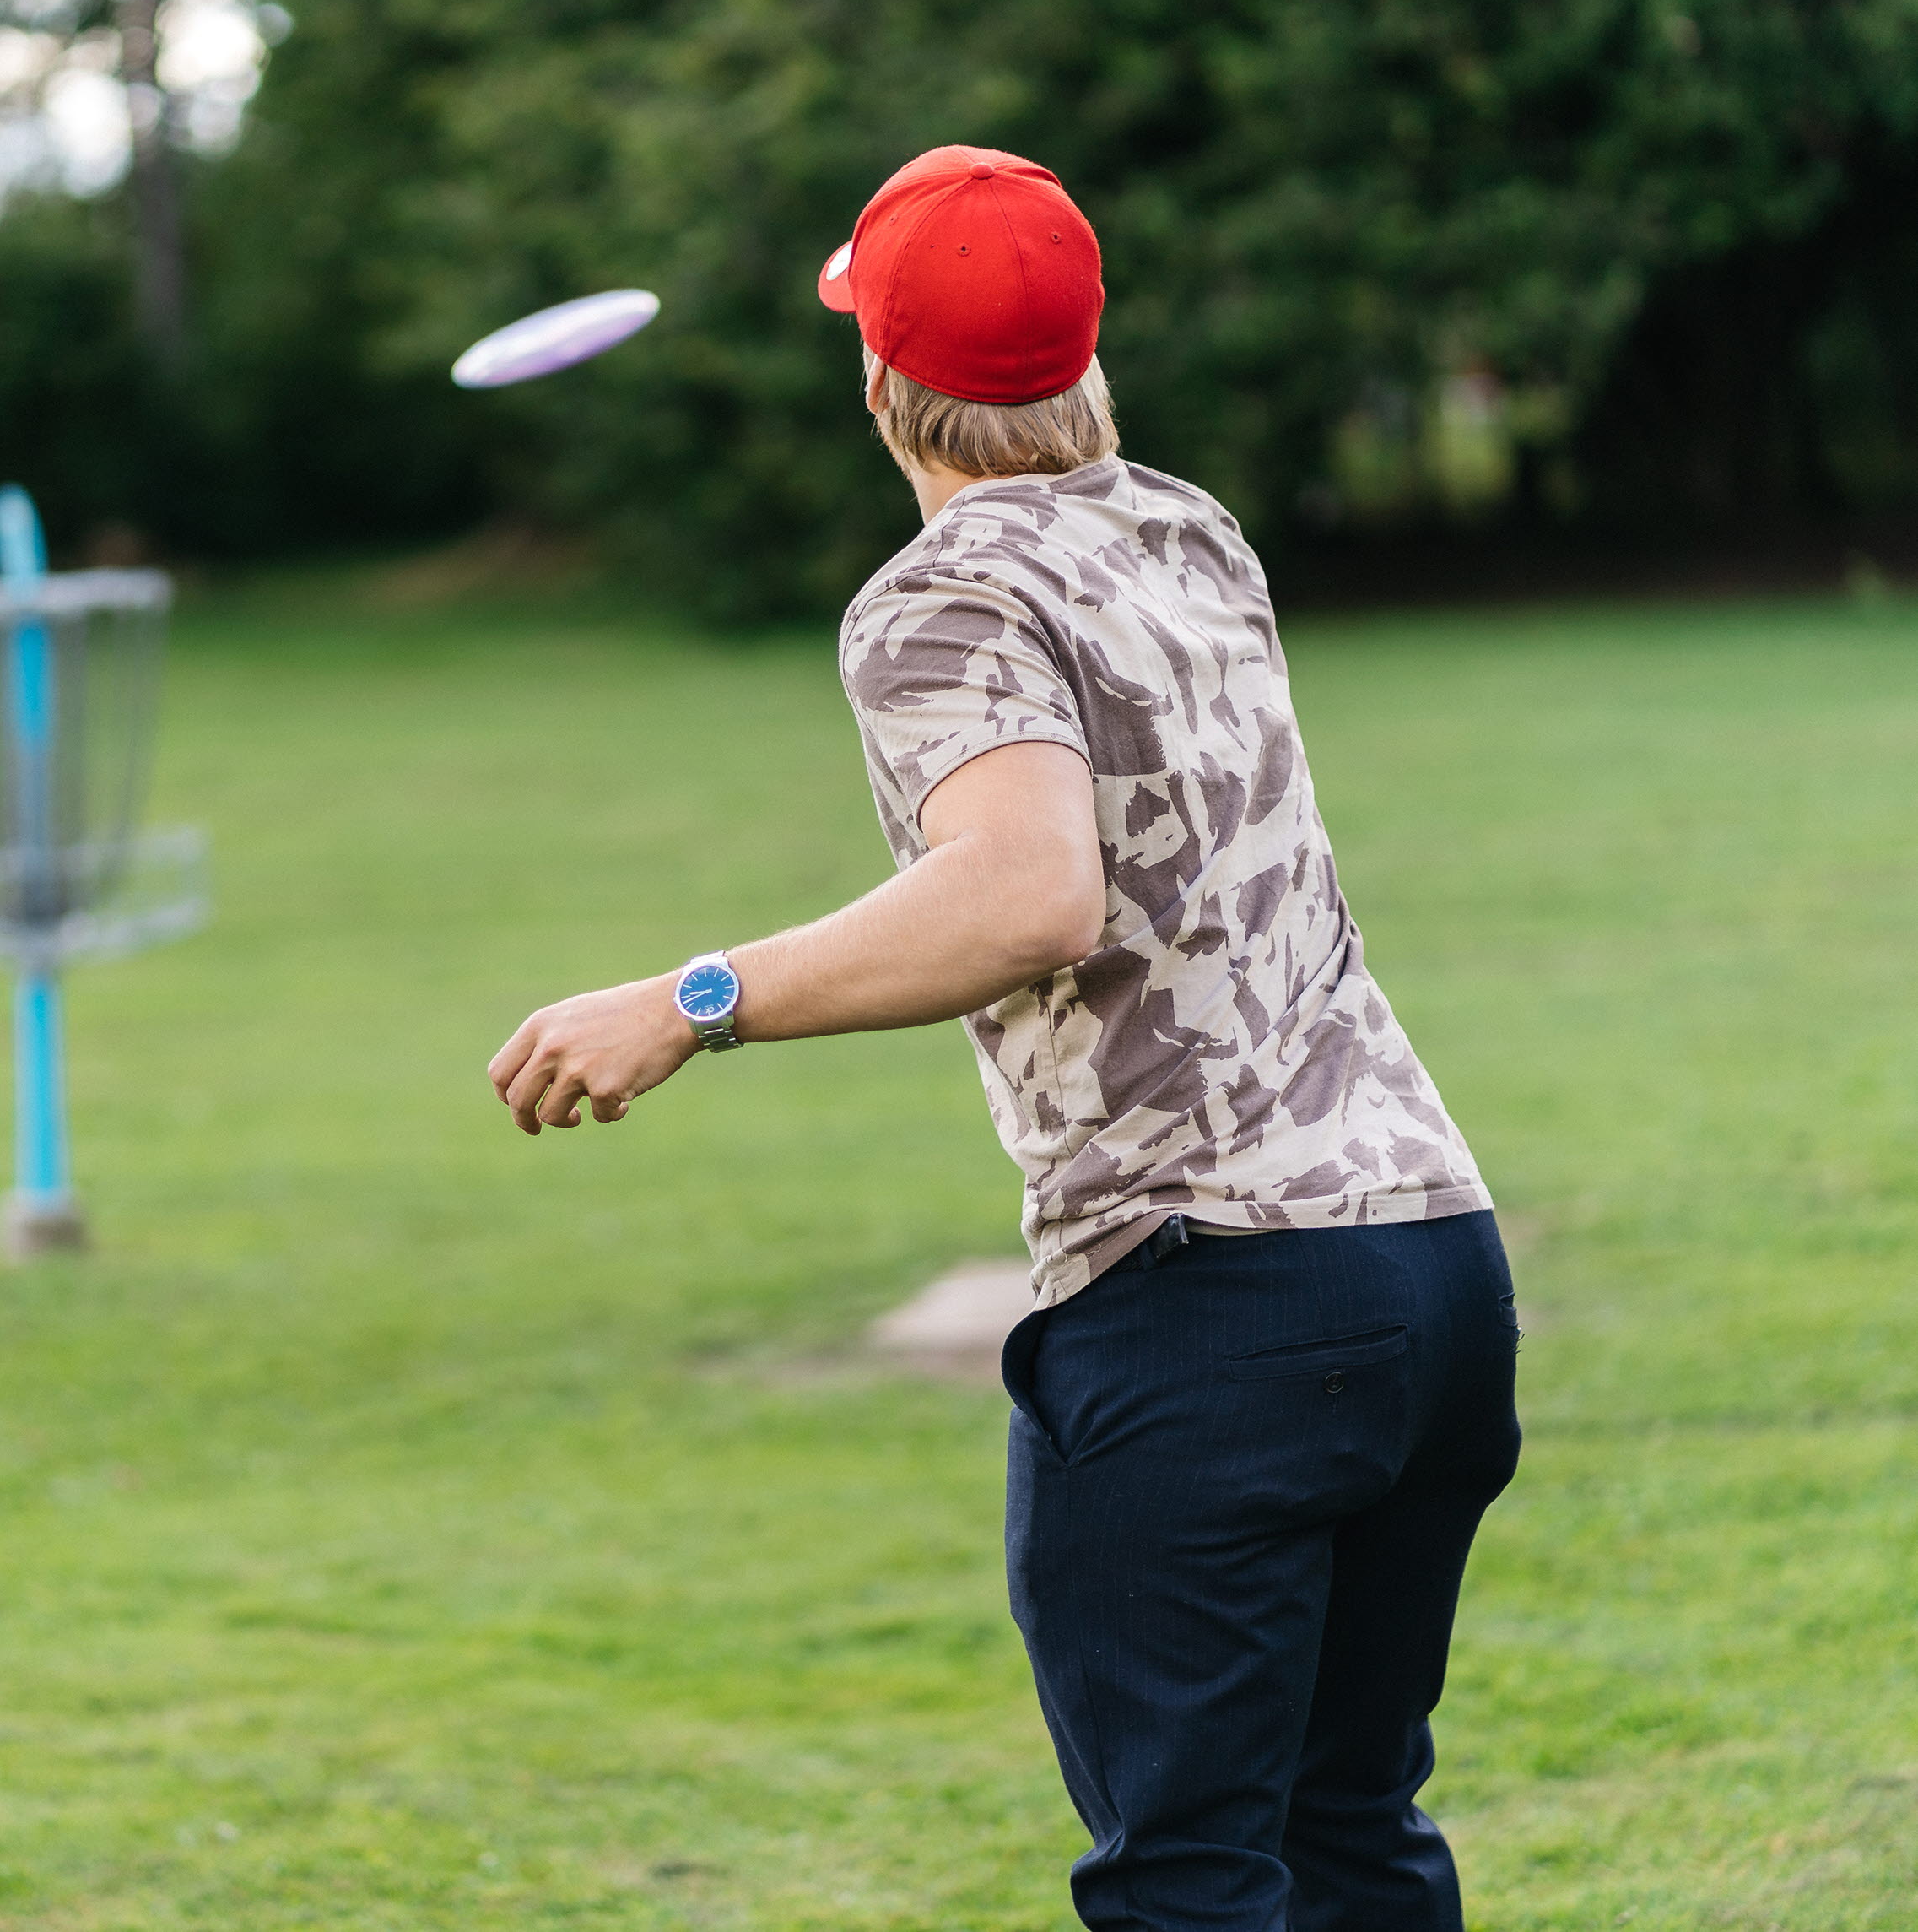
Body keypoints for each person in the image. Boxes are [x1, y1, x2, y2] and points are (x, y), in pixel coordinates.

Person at [484, 146, 1521, 1932]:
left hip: (1212, 1307)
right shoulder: (1188, 527)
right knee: (1350, 1835)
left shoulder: (936, 599)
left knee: (1190, 1879)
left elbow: (1025, 894)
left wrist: (685, 1002)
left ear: (877, 381)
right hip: (1425, 1262)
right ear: (1083, 343)